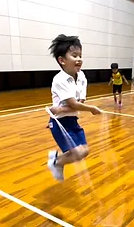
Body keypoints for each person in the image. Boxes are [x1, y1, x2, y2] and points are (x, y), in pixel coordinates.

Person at [47, 34, 102, 181]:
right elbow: (75, 104)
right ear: (62, 60)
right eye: (74, 55)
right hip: (59, 123)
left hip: (72, 121)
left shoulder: (82, 76)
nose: (79, 59)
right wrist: (90, 109)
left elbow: (80, 101)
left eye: (80, 55)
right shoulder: (59, 80)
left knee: (84, 151)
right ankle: (56, 162)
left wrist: (63, 109)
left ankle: (57, 158)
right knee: (77, 152)